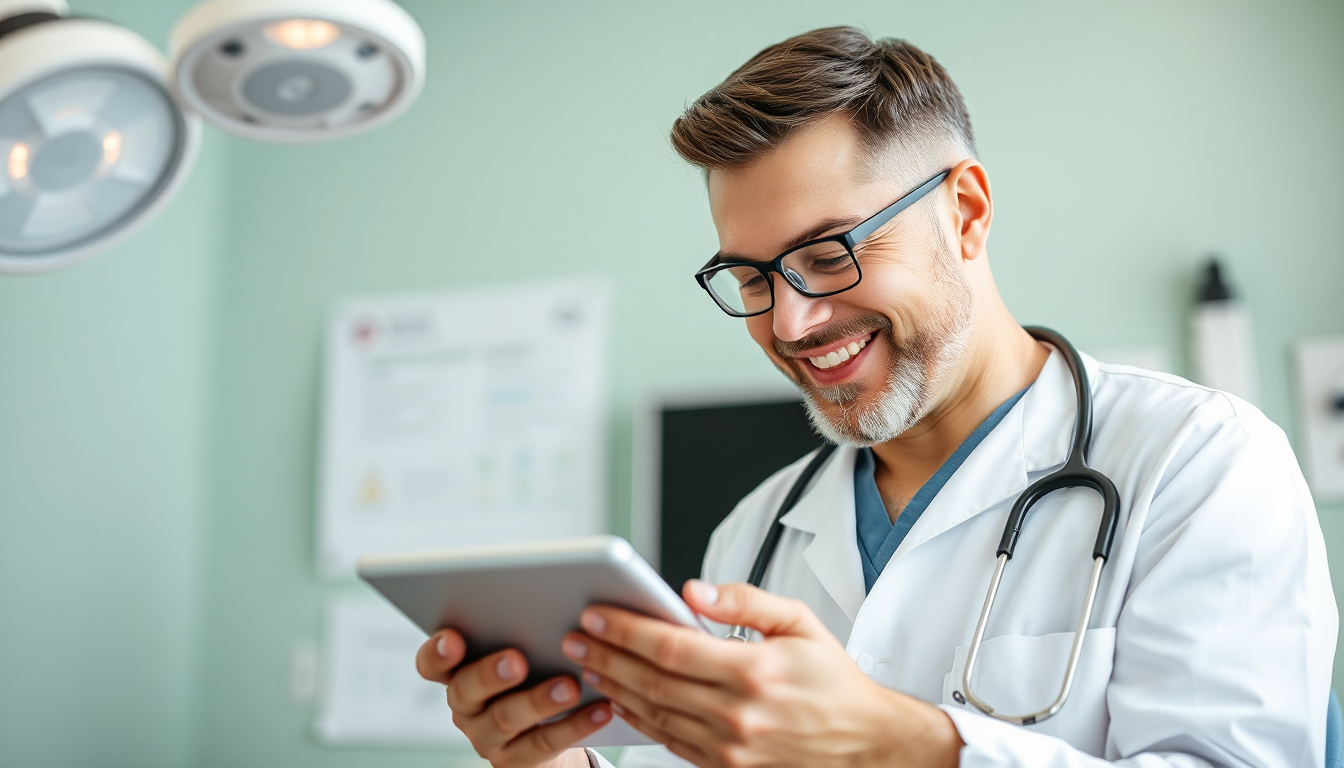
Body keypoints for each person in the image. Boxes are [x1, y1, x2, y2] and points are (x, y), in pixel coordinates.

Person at [414, 26, 1337, 768]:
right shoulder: (756, 532)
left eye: (829, 255)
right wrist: (553, 760)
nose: (791, 321)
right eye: (752, 277)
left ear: (966, 212)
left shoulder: (1201, 462)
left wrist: (897, 745)